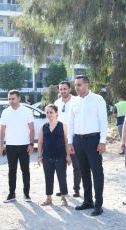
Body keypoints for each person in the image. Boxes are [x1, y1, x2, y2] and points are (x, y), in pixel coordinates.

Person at [67, 75, 109, 216]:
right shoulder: (74, 102)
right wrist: (70, 142)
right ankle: (88, 201)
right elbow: (71, 123)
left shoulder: (98, 99)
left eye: (79, 85)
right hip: (78, 141)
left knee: (97, 172)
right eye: (75, 85)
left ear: (87, 85)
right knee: (84, 171)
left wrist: (102, 141)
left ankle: (98, 204)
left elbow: (103, 121)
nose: (76, 87)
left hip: (93, 140)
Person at [0, 90, 35, 203]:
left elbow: (32, 129)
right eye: (9, 99)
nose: (11, 101)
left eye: (13, 98)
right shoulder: (5, 112)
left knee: (25, 171)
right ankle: (11, 194)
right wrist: (1, 145)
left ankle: (27, 194)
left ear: (19, 98)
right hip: (10, 146)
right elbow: (2, 129)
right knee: (12, 171)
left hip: (24, 146)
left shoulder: (26, 111)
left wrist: (31, 143)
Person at [37, 104, 71, 206]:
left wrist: (68, 155)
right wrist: (39, 156)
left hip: (60, 156)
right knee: (48, 177)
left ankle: (63, 198)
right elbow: (40, 142)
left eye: (51, 112)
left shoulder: (63, 125)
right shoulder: (44, 127)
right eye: (47, 112)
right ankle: (49, 198)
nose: (49, 114)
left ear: (56, 113)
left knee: (62, 177)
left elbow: (66, 141)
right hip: (47, 156)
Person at [54, 81, 80, 197]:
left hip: (74, 138)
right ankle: (63, 189)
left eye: (65, 89)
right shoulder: (56, 103)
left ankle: (76, 189)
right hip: (59, 139)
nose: (63, 91)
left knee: (77, 165)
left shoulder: (77, 100)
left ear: (70, 89)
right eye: (61, 89)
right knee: (60, 166)